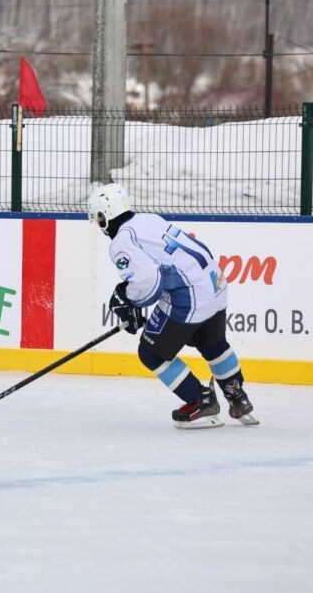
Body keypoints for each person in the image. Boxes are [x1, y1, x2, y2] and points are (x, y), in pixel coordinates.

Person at [87, 183, 259, 429]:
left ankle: (201, 401)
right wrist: (131, 300)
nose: (99, 225)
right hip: (215, 282)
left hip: (192, 294)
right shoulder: (148, 220)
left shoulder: (121, 241)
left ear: (105, 216)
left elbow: (148, 280)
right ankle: (238, 397)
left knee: (151, 352)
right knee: (212, 343)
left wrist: (127, 298)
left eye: (97, 219)